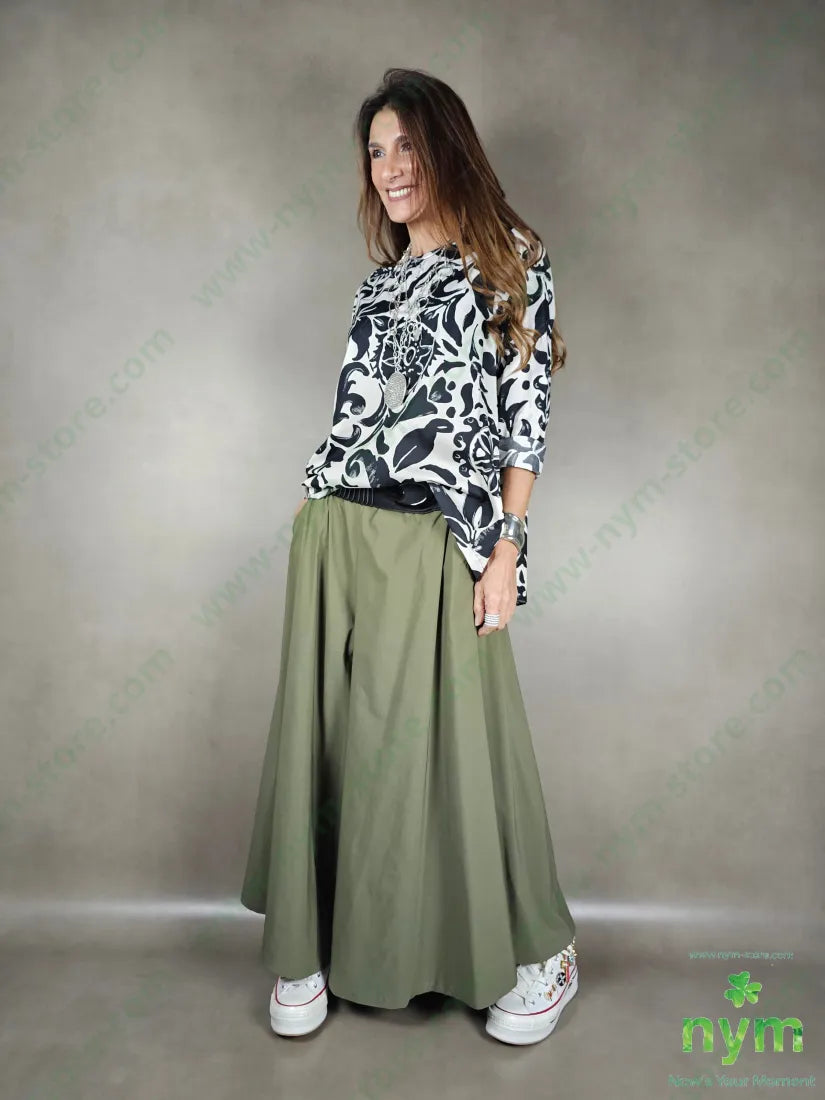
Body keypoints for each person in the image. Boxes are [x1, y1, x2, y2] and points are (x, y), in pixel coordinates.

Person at [241, 66, 578, 1047]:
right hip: (338, 530)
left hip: (439, 534)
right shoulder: (379, 282)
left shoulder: (511, 259)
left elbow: (524, 420)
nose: (388, 167)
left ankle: (540, 951)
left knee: (465, 744)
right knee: (331, 736)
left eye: (405, 146)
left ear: (447, 148)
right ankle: (311, 941)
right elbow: (357, 416)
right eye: (375, 151)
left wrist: (507, 548)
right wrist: (316, 503)